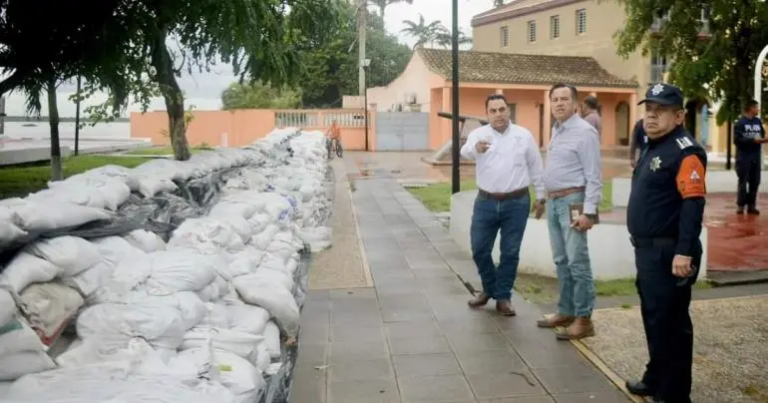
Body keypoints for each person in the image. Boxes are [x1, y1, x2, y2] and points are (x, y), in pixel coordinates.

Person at [624, 83, 706, 403]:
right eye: (648, 109)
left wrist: (684, 250)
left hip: (670, 252)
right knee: (654, 318)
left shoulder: (685, 151)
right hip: (649, 251)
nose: (652, 116)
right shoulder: (655, 144)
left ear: (679, 115)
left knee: (671, 324)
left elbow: (693, 202)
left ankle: (674, 394)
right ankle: (656, 377)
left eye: (660, 110)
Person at [461, 94, 546, 316]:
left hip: (517, 203)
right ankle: (489, 288)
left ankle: (504, 297)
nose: (498, 114)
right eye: (493, 110)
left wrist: (540, 196)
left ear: (508, 111)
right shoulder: (479, 135)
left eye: (502, 109)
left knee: (510, 252)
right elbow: (464, 152)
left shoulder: (523, 135)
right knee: (479, 248)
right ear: (487, 113)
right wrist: (476, 149)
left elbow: (536, 166)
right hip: (486, 202)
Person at [536, 83, 602, 340]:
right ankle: (566, 310)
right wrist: (543, 199)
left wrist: (588, 211)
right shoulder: (557, 129)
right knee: (561, 260)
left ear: (575, 104)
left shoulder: (585, 132)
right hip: (554, 202)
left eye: (564, 99)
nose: (559, 103)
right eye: (554, 99)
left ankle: (584, 319)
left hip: (574, 202)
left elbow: (594, 176)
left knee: (577, 260)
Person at [734, 99, 766, 215]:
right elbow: (737, 140)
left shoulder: (758, 121)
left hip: (756, 156)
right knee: (743, 182)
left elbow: (762, 134)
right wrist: (752, 140)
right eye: (756, 107)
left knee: (755, 181)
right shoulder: (740, 123)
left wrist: (763, 140)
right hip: (744, 157)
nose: (758, 109)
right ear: (750, 108)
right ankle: (741, 205)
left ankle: (751, 205)